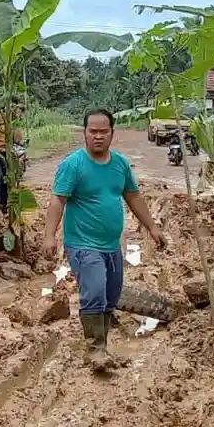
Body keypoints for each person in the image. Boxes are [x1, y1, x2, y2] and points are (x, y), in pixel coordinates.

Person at [42, 109, 167, 372]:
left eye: (103, 132)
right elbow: (58, 201)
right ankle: (95, 349)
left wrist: (152, 228)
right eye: (93, 132)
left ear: (112, 133)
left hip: (112, 245)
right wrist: (49, 235)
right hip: (83, 244)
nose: (98, 137)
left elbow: (133, 197)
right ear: (84, 133)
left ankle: (104, 340)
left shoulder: (120, 164)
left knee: (111, 295)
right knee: (95, 291)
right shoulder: (73, 165)